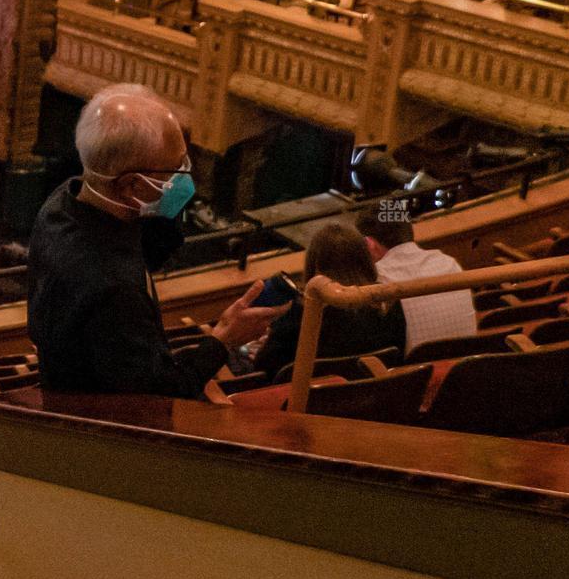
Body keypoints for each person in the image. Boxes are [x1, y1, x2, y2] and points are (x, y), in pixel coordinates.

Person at [28, 84, 279, 395]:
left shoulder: (64, 201)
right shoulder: (113, 288)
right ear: (132, 185)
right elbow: (160, 393)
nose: (185, 178)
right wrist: (224, 339)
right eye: (175, 170)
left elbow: (151, 251)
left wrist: (162, 201)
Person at [250, 224, 408, 378]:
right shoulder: (388, 301)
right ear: (365, 259)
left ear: (315, 264)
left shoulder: (301, 312)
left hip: (314, 402)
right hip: (379, 398)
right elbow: (398, 357)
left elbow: (264, 370)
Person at [358, 207, 479, 349]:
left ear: (368, 243)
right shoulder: (449, 263)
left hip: (417, 369)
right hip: (468, 363)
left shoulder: (378, 279)